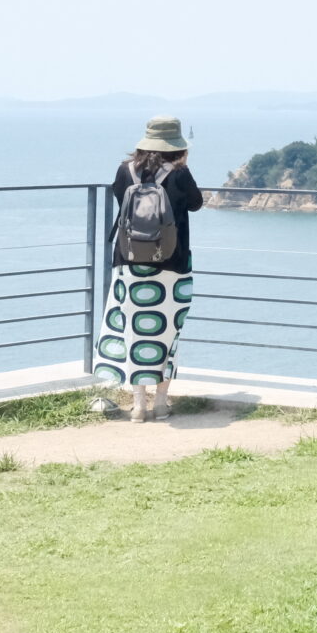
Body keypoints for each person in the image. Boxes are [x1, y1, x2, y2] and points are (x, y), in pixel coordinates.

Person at [93, 116, 203, 421]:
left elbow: (120, 199)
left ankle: (139, 406)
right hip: (172, 264)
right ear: (177, 145)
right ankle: (161, 403)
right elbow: (195, 203)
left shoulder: (125, 170)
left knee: (133, 331)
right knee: (168, 333)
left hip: (129, 263)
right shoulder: (179, 173)